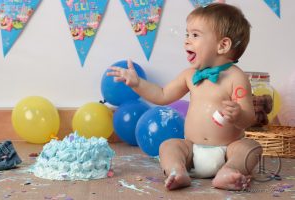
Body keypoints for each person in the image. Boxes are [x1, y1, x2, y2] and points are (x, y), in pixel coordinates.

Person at [107, 3, 262, 191]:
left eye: (195, 35)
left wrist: (238, 115)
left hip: (228, 149)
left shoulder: (236, 77)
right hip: (192, 149)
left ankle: (229, 171)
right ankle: (177, 170)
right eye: (187, 35)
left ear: (223, 45)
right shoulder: (189, 75)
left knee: (251, 148)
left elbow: (249, 118)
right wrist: (137, 83)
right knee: (168, 146)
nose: (187, 41)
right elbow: (162, 95)